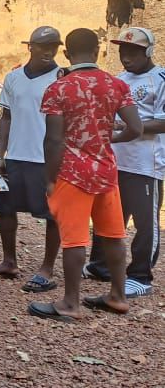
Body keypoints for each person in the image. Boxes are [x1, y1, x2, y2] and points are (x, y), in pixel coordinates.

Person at [28, 28, 142, 322]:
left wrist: (49, 178)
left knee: (74, 239)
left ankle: (70, 303)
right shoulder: (117, 85)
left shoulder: (59, 88)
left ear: (66, 53)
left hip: (72, 173)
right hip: (106, 172)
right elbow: (136, 128)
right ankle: (118, 296)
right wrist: (108, 138)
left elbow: (54, 140)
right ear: (97, 52)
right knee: (114, 236)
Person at [0, 27, 62, 291]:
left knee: (52, 214)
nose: (49, 51)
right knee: (6, 208)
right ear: (30, 47)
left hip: (45, 158)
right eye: (43, 45)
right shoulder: (13, 78)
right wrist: (0, 155)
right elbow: (7, 117)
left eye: (54, 46)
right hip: (15, 156)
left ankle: (46, 268)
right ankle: (8, 261)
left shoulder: (61, 78)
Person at [83, 27, 164, 299]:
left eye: (133, 51)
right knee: (107, 214)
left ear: (148, 51)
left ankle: (141, 275)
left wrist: (129, 125)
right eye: (123, 50)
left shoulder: (160, 79)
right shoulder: (118, 80)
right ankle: (100, 266)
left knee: (145, 222)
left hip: (145, 164)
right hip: (115, 160)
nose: (126, 56)